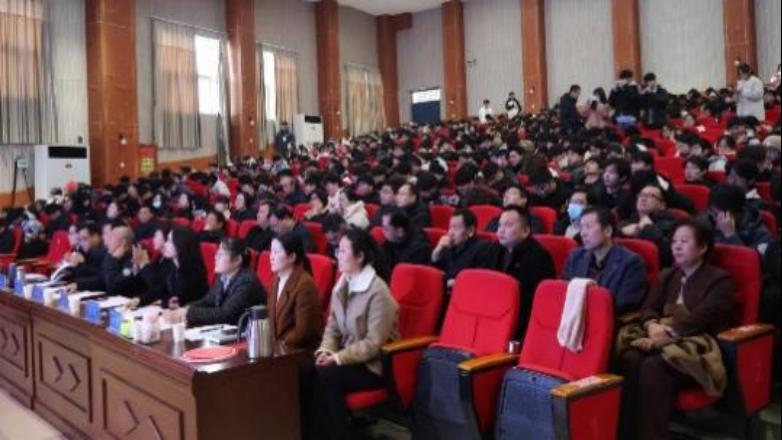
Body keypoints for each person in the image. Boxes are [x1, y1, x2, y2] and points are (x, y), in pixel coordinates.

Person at [617, 219, 735, 440]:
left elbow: (702, 317)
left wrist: (667, 334)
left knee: (653, 367)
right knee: (630, 358)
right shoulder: (668, 275)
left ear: (702, 247)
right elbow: (649, 307)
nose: (677, 246)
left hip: (696, 350)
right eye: (674, 242)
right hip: (662, 340)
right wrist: (652, 325)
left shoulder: (719, 280)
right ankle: (626, 433)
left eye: (684, 241)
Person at [302, 228, 399, 440]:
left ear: (360, 256)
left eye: (344, 250)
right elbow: (333, 326)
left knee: (326, 376)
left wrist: (337, 358)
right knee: (305, 369)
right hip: (346, 357)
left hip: (371, 365)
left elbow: (374, 344)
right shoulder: (343, 284)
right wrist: (326, 351)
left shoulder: (378, 292)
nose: (338, 255)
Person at [479, 206, 555, 338]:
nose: (501, 230)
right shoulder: (492, 250)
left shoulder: (539, 257)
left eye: (508, 225)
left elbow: (539, 302)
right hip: (492, 312)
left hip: (522, 321)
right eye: (500, 225)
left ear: (525, 231)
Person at [563, 207, 648, 313]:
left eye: (588, 227)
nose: (583, 233)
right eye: (581, 228)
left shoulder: (631, 263)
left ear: (608, 231)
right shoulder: (576, 257)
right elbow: (564, 292)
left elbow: (625, 304)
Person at [185, 238, 266, 327]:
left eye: (221, 254)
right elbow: (208, 301)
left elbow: (226, 315)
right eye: (217, 253)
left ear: (237, 260)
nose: (216, 257)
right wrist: (185, 309)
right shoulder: (223, 276)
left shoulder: (247, 282)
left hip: (246, 332)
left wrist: (188, 312)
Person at [268, 233, 323, 351]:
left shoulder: (305, 285)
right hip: (280, 347)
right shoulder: (275, 280)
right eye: (271, 252)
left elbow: (302, 332)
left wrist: (278, 344)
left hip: (299, 351)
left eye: (276, 252)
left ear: (292, 257)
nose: (271, 257)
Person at [134, 227, 209, 306]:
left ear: (181, 244)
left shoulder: (193, 271)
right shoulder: (172, 263)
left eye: (169, 241)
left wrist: (142, 261)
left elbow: (177, 299)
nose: (165, 244)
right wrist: (140, 300)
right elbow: (162, 288)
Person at [700, 184, 772, 254]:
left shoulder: (760, 234)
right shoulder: (706, 219)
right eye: (711, 211)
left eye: (717, 214)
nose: (714, 217)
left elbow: (748, 260)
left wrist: (730, 235)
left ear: (738, 214)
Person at [618, 183, 678, 266]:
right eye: (641, 195)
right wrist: (621, 232)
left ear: (662, 205)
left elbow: (668, 255)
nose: (643, 198)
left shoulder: (669, 224)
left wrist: (648, 228)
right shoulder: (627, 222)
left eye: (651, 196)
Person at [431, 209, 489, 287]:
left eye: (455, 228)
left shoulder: (482, 248)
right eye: (450, 227)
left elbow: (479, 280)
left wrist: (456, 282)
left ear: (470, 231)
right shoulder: (447, 247)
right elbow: (435, 275)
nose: (450, 232)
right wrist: (436, 252)